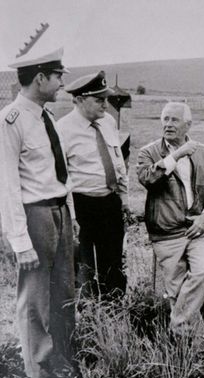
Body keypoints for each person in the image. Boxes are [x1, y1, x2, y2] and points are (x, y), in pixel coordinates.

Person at [0, 47, 77, 378]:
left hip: (58, 210)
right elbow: (7, 186)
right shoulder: (11, 120)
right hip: (34, 215)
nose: (63, 82)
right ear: (41, 77)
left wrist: (69, 212)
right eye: (59, 75)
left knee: (63, 288)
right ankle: (40, 370)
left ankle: (61, 356)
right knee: (35, 295)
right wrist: (20, 241)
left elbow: (59, 173)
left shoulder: (46, 119)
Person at [137, 102, 204, 341]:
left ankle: (177, 325)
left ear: (188, 125)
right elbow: (147, 179)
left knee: (202, 273)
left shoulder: (203, 152)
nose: (168, 124)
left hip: (198, 228)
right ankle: (196, 352)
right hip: (166, 233)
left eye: (174, 120)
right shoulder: (148, 153)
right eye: (165, 119)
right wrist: (176, 156)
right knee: (177, 292)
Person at [57, 71, 129, 299]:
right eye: (99, 100)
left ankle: (114, 313)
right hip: (81, 205)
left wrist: (124, 199)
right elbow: (60, 176)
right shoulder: (62, 129)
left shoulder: (107, 122)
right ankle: (88, 317)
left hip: (109, 203)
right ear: (78, 100)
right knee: (84, 267)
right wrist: (70, 216)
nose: (106, 105)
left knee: (113, 264)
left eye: (106, 99)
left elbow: (118, 162)